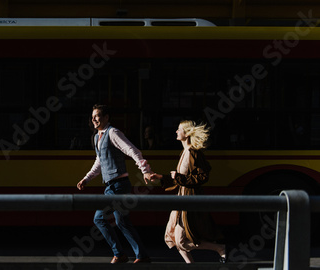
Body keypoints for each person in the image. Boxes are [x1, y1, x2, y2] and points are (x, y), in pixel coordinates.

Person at [77, 104, 154, 264]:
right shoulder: (97, 137)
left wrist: (145, 170)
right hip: (112, 186)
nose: (93, 119)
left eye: (97, 115)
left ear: (106, 117)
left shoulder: (113, 133)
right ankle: (142, 255)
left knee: (99, 218)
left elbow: (133, 151)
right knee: (122, 222)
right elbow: (100, 161)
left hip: (118, 185)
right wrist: (87, 178)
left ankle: (119, 254)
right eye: (92, 116)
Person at [151, 120, 226, 263]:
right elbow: (180, 180)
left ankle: (220, 249)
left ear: (186, 133)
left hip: (188, 200)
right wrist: (160, 177)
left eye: (179, 129)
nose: (176, 131)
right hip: (181, 200)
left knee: (181, 241)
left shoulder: (193, 152)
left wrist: (179, 177)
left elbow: (202, 176)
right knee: (175, 239)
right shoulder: (185, 152)